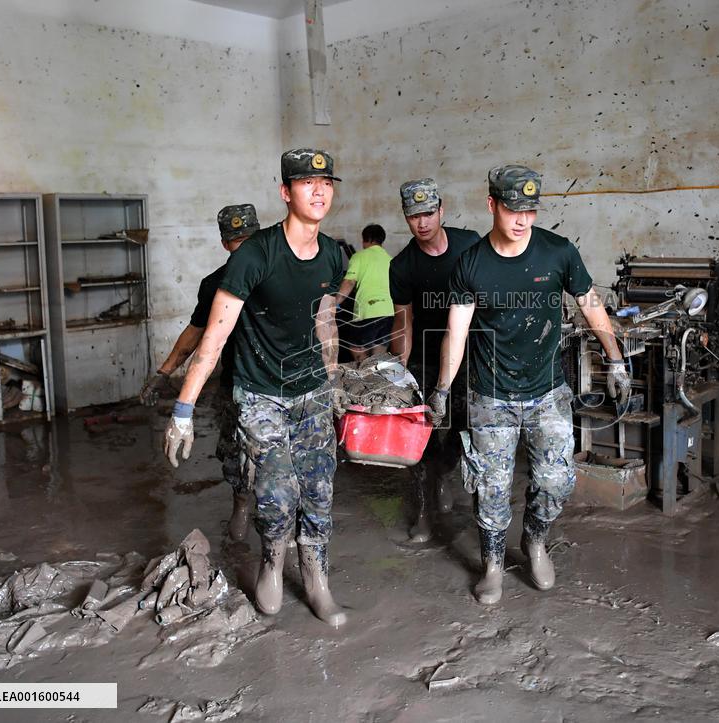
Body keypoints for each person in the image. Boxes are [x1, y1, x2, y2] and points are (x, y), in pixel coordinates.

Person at [162, 148, 348, 627]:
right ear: (285, 192)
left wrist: (332, 379)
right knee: (277, 490)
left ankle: (316, 578)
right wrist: (183, 409)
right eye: (306, 183)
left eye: (326, 183)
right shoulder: (254, 255)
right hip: (260, 391)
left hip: (310, 389)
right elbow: (213, 337)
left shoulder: (333, 254)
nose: (319, 190)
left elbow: (325, 320)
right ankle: (271, 563)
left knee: (319, 487)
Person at [428, 164, 629, 605]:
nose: (522, 220)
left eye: (530, 210)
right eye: (513, 209)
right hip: (490, 395)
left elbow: (590, 303)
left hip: (547, 392)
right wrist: (442, 389)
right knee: (491, 487)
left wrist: (615, 359)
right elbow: (456, 333)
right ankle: (493, 564)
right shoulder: (471, 264)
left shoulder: (558, 252)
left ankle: (535, 540)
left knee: (556, 480)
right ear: (491, 205)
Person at [140, 204, 260, 542]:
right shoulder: (217, 284)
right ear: (226, 244)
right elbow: (195, 335)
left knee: (259, 459)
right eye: (239, 241)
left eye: (247, 240)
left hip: (266, 384)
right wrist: (164, 373)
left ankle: (250, 513)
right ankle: (244, 511)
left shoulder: (271, 274)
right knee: (241, 455)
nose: (243, 248)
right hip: (244, 384)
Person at [389, 179, 480, 542]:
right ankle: (424, 511)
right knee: (421, 436)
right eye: (414, 216)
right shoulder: (402, 265)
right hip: (425, 361)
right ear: (405, 218)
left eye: (428, 213)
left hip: (470, 357)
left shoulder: (470, 245)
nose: (422, 222)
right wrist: (399, 371)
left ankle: (445, 470)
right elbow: (404, 321)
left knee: (466, 427)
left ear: (442, 210)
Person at [335, 224, 393, 362]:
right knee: (378, 355)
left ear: (366, 239)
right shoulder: (391, 259)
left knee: (356, 347)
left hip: (368, 311)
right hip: (389, 313)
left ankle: (365, 372)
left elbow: (349, 282)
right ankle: (375, 373)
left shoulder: (359, 256)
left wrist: (334, 303)